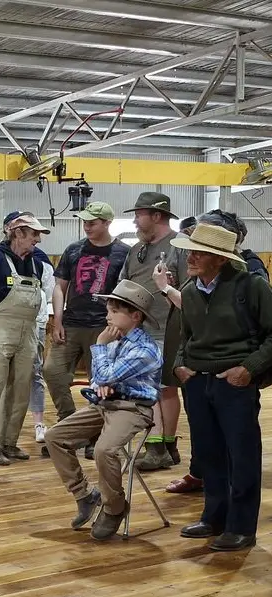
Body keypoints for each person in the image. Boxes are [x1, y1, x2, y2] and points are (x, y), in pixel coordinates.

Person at [171, 223, 272, 551]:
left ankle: (241, 528)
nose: (190, 257)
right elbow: (186, 337)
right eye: (190, 250)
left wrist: (248, 369)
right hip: (197, 384)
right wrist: (180, 365)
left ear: (221, 259)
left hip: (235, 384)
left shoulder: (251, 286)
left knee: (242, 457)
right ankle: (213, 518)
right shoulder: (189, 290)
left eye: (199, 253)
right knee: (209, 454)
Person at [44, 279, 162, 541]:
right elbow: (99, 378)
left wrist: (99, 346)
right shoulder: (116, 339)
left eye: (114, 311)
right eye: (108, 310)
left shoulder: (144, 349)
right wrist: (102, 384)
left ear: (135, 316)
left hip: (133, 408)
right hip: (105, 404)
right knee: (54, 437)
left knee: (104, 449)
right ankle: (84, 495)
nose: (108, 316)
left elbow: (104, 373)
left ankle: (114, 507)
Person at [0, 211, 50, 465]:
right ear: (18, 233)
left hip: (28, 332)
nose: (38, 239)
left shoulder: (36, 263)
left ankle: (8, 441)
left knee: (20, 389)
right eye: (34, 234)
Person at [44, 202, 130, 424]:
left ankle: (96, 427)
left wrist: (120, 325)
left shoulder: (123, 253)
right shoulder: (73, 250)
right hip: (71, 323)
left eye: (92, 223)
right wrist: (58, 321)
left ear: (107, 223)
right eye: (85, 222)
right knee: (52, 371)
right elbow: (60, 287)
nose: (87, 227)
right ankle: (68, 419)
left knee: (102, 380)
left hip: (104, 326)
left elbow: (126, 293)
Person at [119, 192, 187, 472]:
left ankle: (160, 446)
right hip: (140, 330)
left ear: (156, 216)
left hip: (169, 330)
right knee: (156, 389)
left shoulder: (180, 247)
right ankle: (165, 448)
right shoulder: (136, 249)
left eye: (139, 215)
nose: (135, 221)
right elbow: (124, 283)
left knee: (163, 390)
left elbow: (190, 292)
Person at [30, 245, 55, 442]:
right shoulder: (0, 258)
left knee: (35, 372)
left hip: (36, 322)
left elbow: (50, 292)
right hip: (8, 324)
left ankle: (38, 424)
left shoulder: (41, 260)